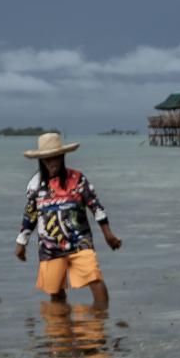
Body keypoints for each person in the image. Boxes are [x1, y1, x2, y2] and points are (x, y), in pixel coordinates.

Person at [15, 131, 121, 307]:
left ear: (63, 157)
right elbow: (30, 214)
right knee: (55, 292)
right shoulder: (35, 186)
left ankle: (101, 320)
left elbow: (96, 207)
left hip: (80, 242)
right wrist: (21, 242)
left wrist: (108, 235)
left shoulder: (77, 180)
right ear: (41, 160)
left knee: (94, 279)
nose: (52, 163)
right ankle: (61, 322)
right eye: (48, 159)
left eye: (56, 158)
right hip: (49, 246)